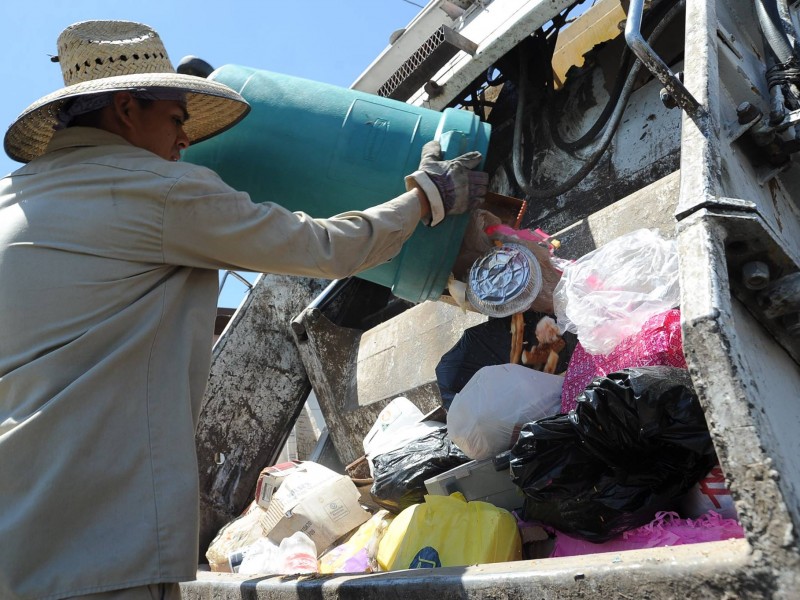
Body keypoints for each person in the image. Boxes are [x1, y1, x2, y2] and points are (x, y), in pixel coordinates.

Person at [0, 20, 488, 600]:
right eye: (178, 120)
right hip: (100, 542)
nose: (184, 142)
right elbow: (323, 247)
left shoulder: (15, 201)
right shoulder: (158, 190)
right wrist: (426, 197)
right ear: (127, 110)